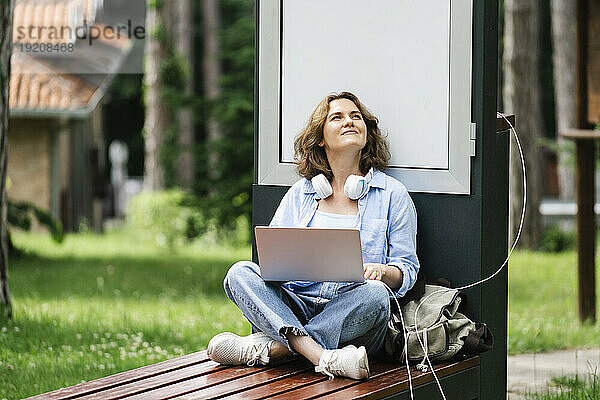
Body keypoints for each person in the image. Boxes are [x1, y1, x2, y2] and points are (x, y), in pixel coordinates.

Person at [207, 92, 420, 380]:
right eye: (338, 117)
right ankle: (322, 357)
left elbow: (406, 270)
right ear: (321, 138)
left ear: (367, 135)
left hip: (353, 317)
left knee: (377, 295)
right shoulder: (301, 194)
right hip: (295, 306)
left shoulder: (393, 195)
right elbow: (272, 263)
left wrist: (383, 272)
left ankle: (270, 351)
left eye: (356, 116)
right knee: (239, 272)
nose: (349, 121)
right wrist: (281, 268)